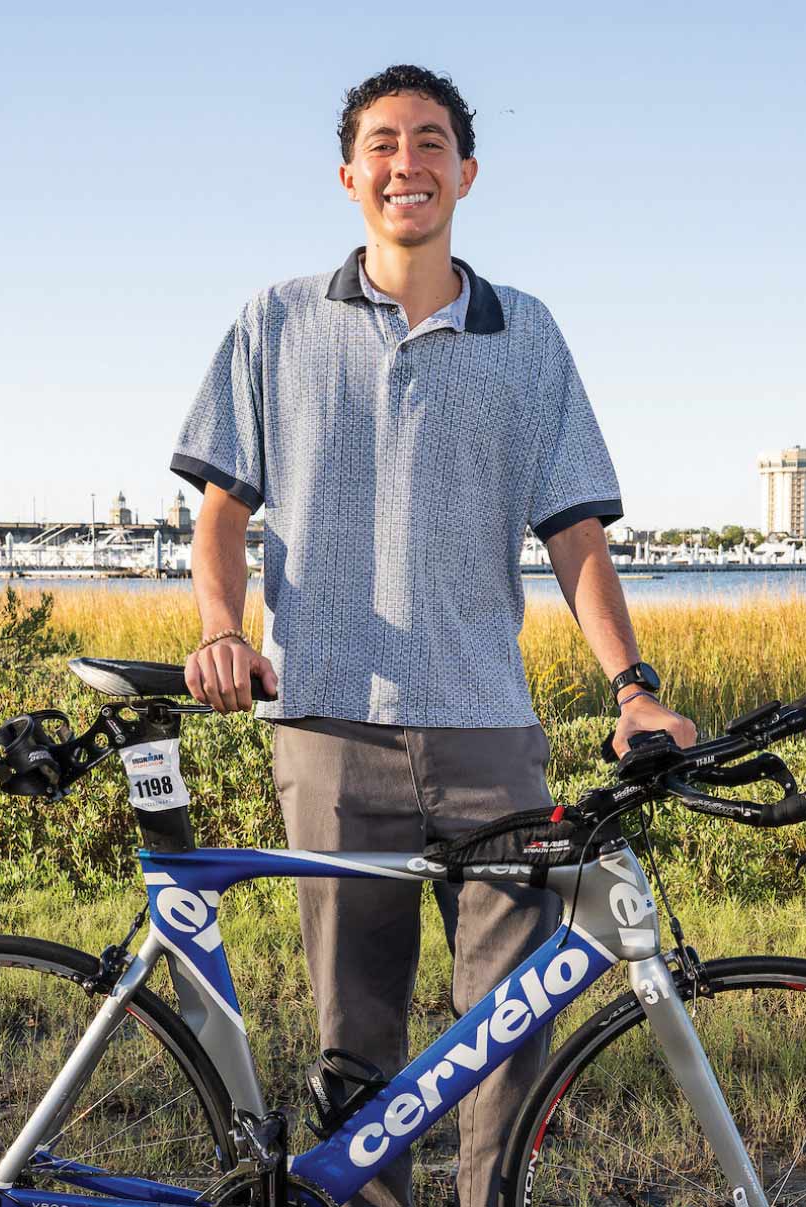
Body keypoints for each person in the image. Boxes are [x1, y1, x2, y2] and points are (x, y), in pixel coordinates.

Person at [171, 64, 696, 1207]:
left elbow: (576, 534)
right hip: (327, 723)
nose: (406, 162)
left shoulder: (528, 332)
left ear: (466, 169)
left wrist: (634, 686)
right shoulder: (275, 321)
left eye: (429, 141)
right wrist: (222, 628)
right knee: (354, 1038)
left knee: (509, 1026)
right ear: (349, 173)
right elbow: (220, 508)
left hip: (488, 733)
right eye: (383, 143)